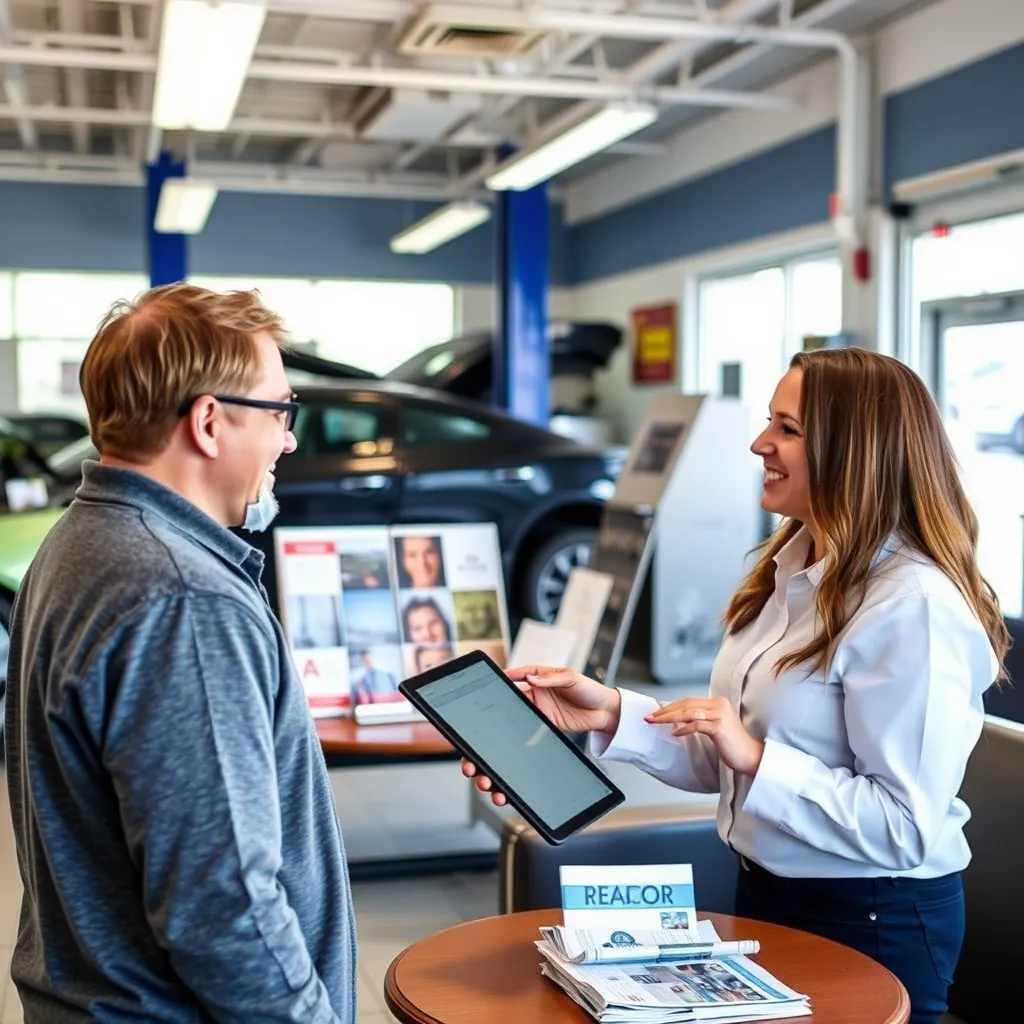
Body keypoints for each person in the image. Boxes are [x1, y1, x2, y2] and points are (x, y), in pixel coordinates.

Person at [466, 348, 1010, 1024]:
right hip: (768, 894)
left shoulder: (913, 606)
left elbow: (902, 828)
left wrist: (754, 756)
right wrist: (606, 712)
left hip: (875, 919)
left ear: (855, 451)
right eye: (768, 422)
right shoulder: (786, 569)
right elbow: (723, 759)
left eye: (788, 429)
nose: (760, 444)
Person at [4, 283, 357, 1023]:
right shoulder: (183, 600)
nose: (287, 438)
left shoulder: (77, 543)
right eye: (279, 411)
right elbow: (223, 908)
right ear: (208, 421)